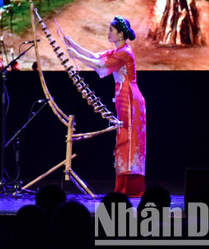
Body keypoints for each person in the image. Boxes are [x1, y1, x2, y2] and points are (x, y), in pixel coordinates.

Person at [63, 16, 146, 197]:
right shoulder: (118, 50)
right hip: (123, 97)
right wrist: (74, 45)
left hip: (130, 99)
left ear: (120, 34)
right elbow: (95, 56)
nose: (108, 33)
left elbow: (100, 65)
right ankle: (123, 186)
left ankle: (130, 187)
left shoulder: (125, 52)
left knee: (128, 140)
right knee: (123, 138)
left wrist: (76, 56)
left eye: (111, 30)